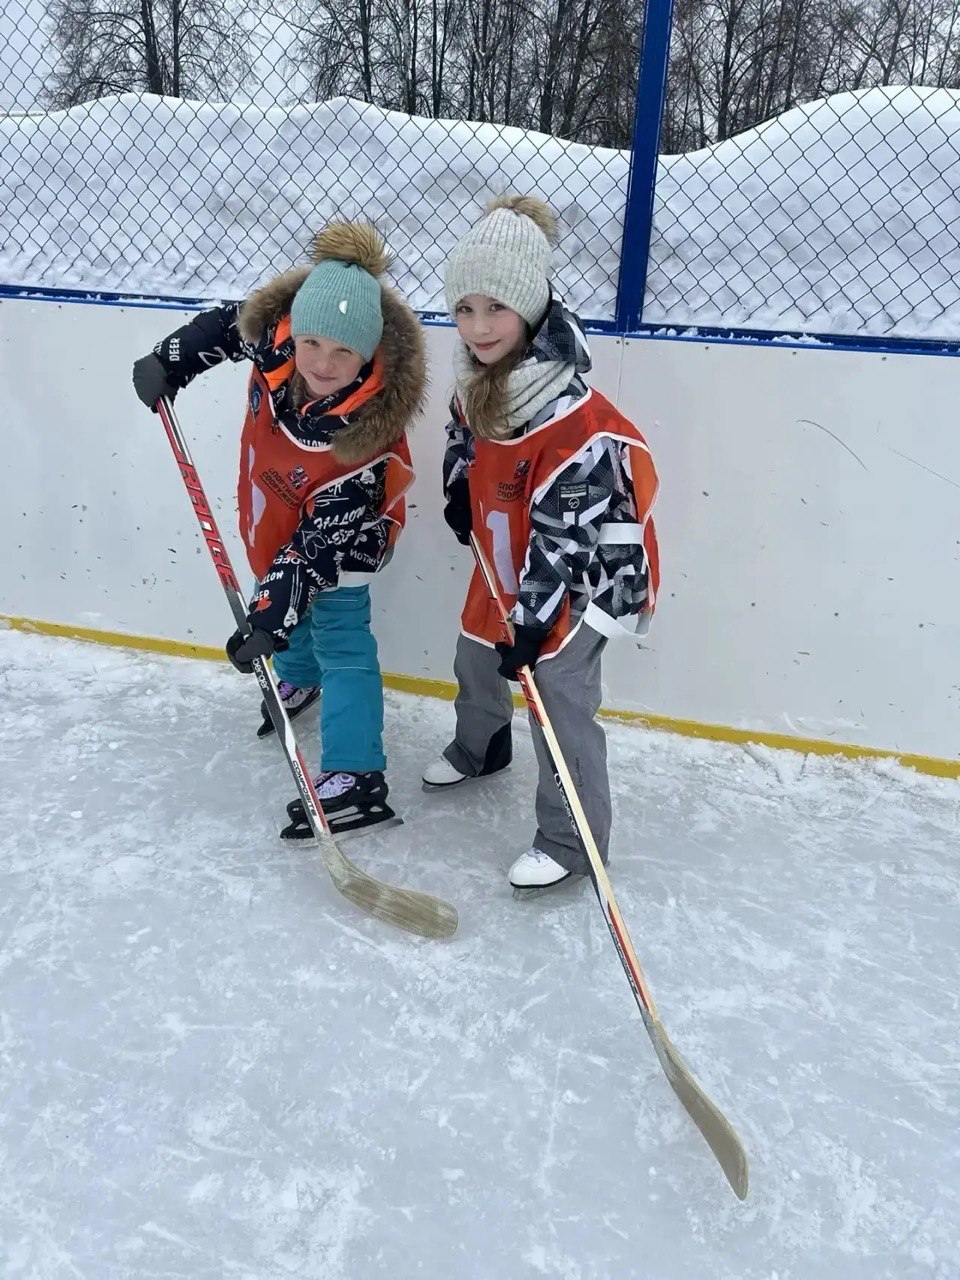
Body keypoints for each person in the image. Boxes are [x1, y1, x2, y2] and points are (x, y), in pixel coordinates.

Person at [132, 222, 425, 837]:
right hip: (275, 506)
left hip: (343, 541)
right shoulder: (279, 338)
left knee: (337, 632)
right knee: (279, 584)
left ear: (369, 354)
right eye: (313, 343)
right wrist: (170, 362)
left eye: (344, 353)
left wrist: (266, 620)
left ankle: (357, 776)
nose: (322, 363)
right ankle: (298, 676)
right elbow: (220, 328)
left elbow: (313, 555)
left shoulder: (364, 442)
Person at [423, 195, 660, 892]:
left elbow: (565, 538)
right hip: (513, 554)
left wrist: (530, 622)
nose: (477, 326)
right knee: (476, 648)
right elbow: (463, 439)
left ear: (528, 307)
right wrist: (456, 487)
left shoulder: (571, 417)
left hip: (586, 573)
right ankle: (484, 744)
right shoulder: (477, 384)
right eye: (464, 309)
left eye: (495, 307)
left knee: (554, 686)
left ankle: (573, 837)